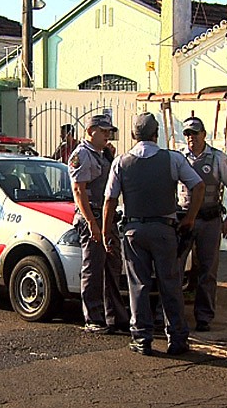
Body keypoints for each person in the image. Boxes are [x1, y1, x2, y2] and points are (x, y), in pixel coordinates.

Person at [102, 112, 205, 356]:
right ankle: (177, 338)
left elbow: (109, 200)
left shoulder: (121, 162)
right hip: (164, 230)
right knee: (171, 284)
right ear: (156, 134)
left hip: (134, 230)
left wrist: (106, 232)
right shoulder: (173, 159)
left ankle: (142, 338)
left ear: (133, 136)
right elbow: (198, 185)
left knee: (138, 284)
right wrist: (190, 217)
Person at [177, 116, 227, 332]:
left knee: (208, 269)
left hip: (209, 219)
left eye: (195, 133)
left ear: (204, 134)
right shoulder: (179, 158)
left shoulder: (218, 158)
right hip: (183, 219)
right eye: (187, 134)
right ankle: (173, 315)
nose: (191, 138)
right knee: (175, 267)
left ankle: (204, 317)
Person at [68, 115, 129, 334]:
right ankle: (93, 317)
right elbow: (78, 191)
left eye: (109, 132)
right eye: (103, 131)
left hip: (107, 216)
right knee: (93, 268)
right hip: (92, 215)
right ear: (91, 130)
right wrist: (92, 223)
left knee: (113, 266)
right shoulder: (82, 154)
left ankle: (116, 317)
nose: (107, 136)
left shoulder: (103, 154)